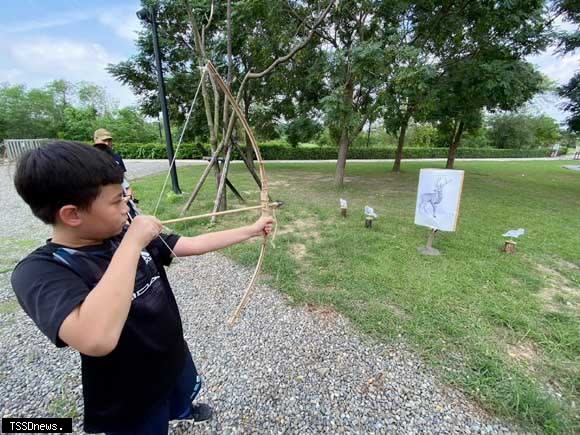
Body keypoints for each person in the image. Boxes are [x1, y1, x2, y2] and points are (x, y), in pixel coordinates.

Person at [11, 141, 274, 434]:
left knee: (178, 395)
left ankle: (183, 408)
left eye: (125, 196)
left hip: (170, 357)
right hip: (128, 395)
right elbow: (96, 338)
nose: (127, 204)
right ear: (72, 214)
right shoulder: (40, 271)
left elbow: (189, 245)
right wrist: (133, 242)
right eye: (116, 201)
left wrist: (250, 230)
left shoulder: (120, 231)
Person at [93, 128, 138, 217]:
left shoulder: (117, 158)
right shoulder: (89, 158)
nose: (107, 143)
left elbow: (122, 178)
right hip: (102, 202)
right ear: (95, 139)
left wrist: (128, 191)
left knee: (131, 219)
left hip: (122, 197)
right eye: (104, 140)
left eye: (109, 140)